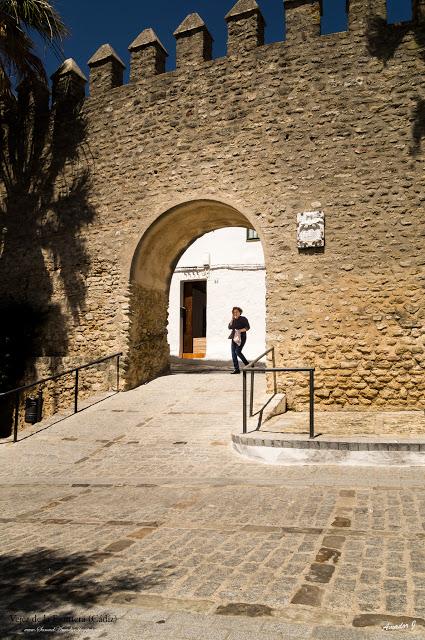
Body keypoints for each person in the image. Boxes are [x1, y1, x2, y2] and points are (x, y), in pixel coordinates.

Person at [228, 307, 250, 374]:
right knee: (233, 353)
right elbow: (229, 327)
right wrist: (232, 319)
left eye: (236, 312)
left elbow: (247, 327)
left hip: (242, 337)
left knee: (237, 351)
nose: (235, 313)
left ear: (240, 312)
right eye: (234, 312)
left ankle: (248, 365)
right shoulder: (233, 320)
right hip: (234, 337)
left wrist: (240, 331)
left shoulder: (243, 319)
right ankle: (236, 369)